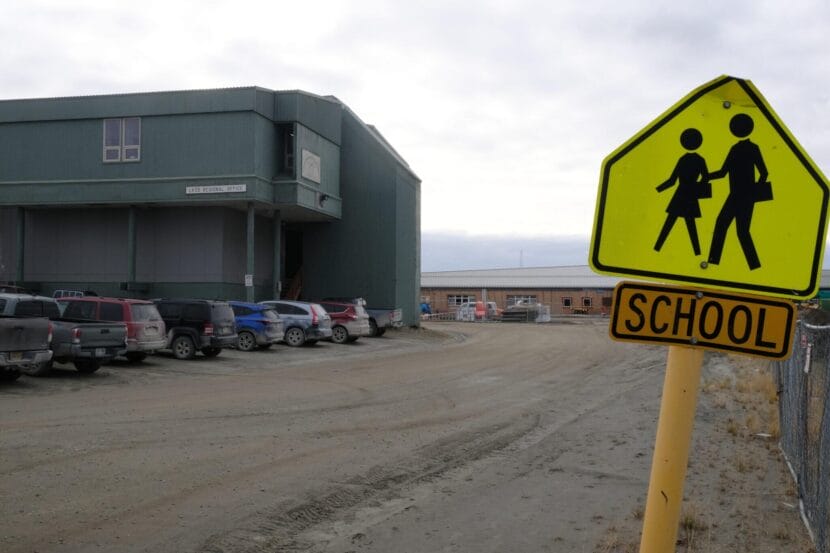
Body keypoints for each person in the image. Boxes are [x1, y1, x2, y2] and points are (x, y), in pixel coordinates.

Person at [707, 113, 767, 270]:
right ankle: (713, 263)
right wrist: (707, 176)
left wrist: (754, 192)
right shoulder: (736, 149)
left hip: (744, 196)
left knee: (741, 231)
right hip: (735, 196)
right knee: (723, 225)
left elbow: (764, 172)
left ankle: (754, 266)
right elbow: (723, 172)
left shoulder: (751, 148)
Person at [654, 128, 710, 256]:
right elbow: (706, 178)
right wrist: (697, 188)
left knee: (670, 223)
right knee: (690, 225)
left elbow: (672, 181)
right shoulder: (700, 159)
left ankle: (657, 248)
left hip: (680, 194)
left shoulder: (683, 159)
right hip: (690, 195)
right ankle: (697, 253)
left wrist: (658, 190)